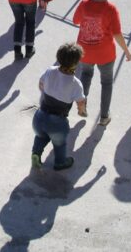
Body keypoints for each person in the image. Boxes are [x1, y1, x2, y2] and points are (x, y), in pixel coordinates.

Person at [73, 0, 131, 126]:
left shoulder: (84, 3)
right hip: (105, 54)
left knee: (85, 76)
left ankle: (82, 106)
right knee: (106, 83)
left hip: (84, 50)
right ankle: (104, 116)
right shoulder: (111, 9)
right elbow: (117, 34)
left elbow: (76, 21)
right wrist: (126, 50)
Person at [31, 43, 87, 171]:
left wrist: (47, 92)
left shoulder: (50, 70)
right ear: (76, 63)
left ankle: (36, 154)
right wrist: (81, 111)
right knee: (59, 144)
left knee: (41, 136)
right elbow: (81, 102)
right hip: (58, 122)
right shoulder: (75, 84)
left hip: (40, 116)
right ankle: (60, 162)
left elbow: (41, 84)